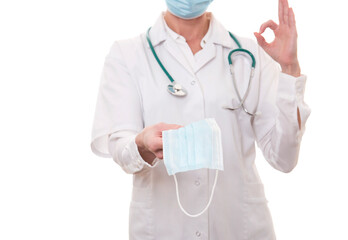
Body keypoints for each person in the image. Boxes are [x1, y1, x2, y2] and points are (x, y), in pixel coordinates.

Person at [90, 0, 311, 239]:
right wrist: (142, 143)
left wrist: (289, 67)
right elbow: (122, 150)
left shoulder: (250, 55)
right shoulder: (128, 55)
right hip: (164, 229)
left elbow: (284, 159)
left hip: (237, 227)